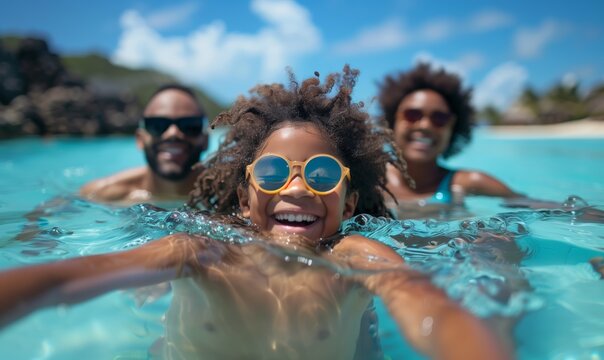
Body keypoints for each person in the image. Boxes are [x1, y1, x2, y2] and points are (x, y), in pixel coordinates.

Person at [0, 67, 511, 360]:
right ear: (244, 199)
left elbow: (430, 307)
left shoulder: (358, 254)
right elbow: (61, 280)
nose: (296, 187)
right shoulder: (202, 249)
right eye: (271, 174)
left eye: (322, 175)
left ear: (349, 202)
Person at [377, 63, 519, 217]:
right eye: (412, 115)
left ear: (452, 129)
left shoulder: (470, 183)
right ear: (391, 123)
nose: (425, 125)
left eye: (439, 118)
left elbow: (542, 211)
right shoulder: (371, 183)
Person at [80, 84, 209, 205]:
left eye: (190, 126)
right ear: (140, 139)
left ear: (205, 141)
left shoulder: (225, 193)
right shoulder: (99, 195)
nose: (173, 133)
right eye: (157, 125)